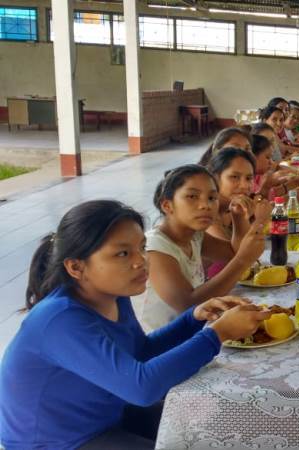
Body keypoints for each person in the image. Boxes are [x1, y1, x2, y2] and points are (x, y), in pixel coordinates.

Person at [0, 200, 269, 449]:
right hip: (58, 442)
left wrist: (194, 319)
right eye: (122, 254)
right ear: (76, 267)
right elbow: (142, 388)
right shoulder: (59, 321)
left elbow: (140, 351)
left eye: (141, 247)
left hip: (103, 416)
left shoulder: (113, 295)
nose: (141, 261)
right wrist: (217, 334)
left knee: (214, 423)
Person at [133, 165, 270, 332]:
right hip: (161, 345)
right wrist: (243, 259)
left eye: (212, 198)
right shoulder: (155, 248)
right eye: (192, 196)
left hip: (191, 332)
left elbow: (231, 254)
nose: (205, 205)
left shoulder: (195, 234)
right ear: (167, 206)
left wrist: (239, 218)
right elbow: (187, 304)